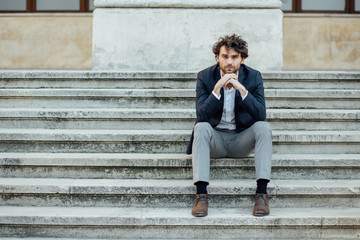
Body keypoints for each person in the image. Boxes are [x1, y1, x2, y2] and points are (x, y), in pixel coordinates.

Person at [186, 34, 272, 217]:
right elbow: (201, 115)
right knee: (200, 127)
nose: (229, 62)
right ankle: (201, 195)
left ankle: (261, 194)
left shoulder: (254, 77)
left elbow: (260, 114)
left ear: (242, 58)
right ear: (217, 57)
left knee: (263, 127)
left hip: (241, 140)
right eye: (225, 56)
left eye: (234, 57)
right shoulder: (205, 76)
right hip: (214, 141)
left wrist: (242, 89)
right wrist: (216, 90)